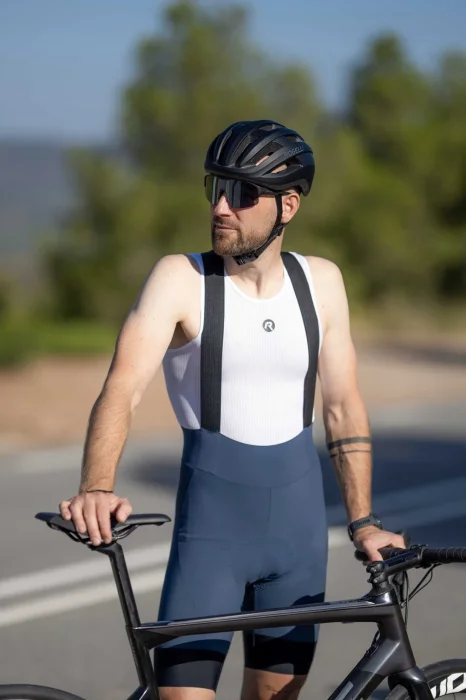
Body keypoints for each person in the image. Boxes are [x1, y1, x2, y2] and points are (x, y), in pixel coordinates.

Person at [60, 120, 405, 700]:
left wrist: (364, 522)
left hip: (297, 545)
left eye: (242, 193)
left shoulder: (322, 282)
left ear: (288, 205)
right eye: (216, 188)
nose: (221, 207)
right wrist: (96, 486)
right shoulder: (181, 279)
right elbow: (122, 387)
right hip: (211, 543)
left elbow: (343, 407)